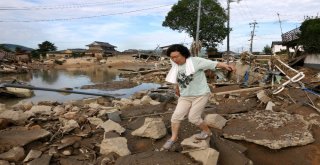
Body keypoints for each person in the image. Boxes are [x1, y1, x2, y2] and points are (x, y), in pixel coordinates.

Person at [162, 44, 235, 150]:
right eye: (172, 57)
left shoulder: (195, 61)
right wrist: (177, 88)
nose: (174, 59)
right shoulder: (175, 66)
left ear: (184, 55)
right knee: (175, 117)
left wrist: (227, 66)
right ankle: (173, 138)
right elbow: (178, 79)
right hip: (185, 96)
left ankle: (207, 132)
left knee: (193, 118)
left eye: (176, 56)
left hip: (200, 94)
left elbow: (214, 64)